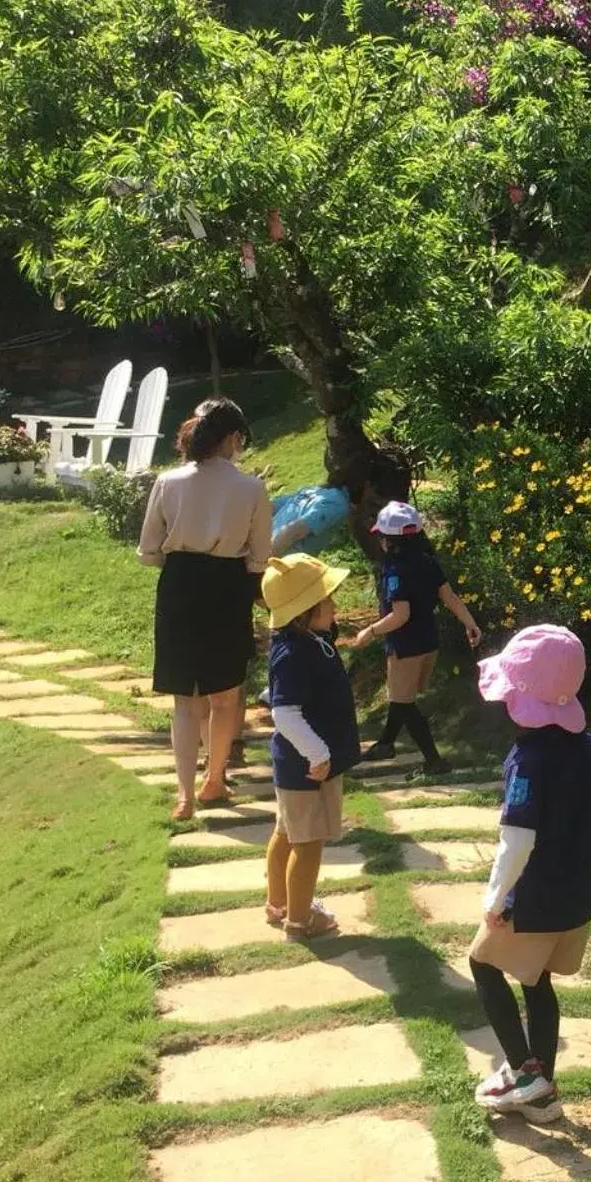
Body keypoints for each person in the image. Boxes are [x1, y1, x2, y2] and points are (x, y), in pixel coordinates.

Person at [469, 624, 591, 1125]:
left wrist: (496, 897)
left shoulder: (528, 760)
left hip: (534, 897)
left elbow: (518, 841)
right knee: (537, 980)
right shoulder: (590, 749)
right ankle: (539, 1087)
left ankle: (529, 1077)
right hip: (577, 891)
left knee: (482, 964)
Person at [138, 397, 271, 821]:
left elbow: (149, 550)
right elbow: (259, 557)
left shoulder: (168, 481)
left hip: (179, 583)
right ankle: (214, 779)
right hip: (229, 584)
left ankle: (184, 794)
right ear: (232, 438)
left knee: (184, 699)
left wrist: (182, 560)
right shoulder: (251, 487)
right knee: (226, 693)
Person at [259, 553, 361, 941]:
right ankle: (300, 921)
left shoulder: (309, 641)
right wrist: (318, 754)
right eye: (327, 599)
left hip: (300, 766)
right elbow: (284, 713)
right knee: (308, 841)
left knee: (287, 831)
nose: (334, 605)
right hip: (308, 767)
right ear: (304, 609)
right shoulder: (294, 653)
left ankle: (279, 904)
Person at [351, 501, 481, 770]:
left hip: (405, 646)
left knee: (404, 703)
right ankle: (385, 744)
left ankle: (434, 760)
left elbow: (401, 615)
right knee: (401, 698)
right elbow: (450, 596)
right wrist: (470, 623)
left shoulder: (394, 570)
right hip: (429, 642)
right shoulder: (427, 561)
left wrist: (370, 631)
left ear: (388, 540)